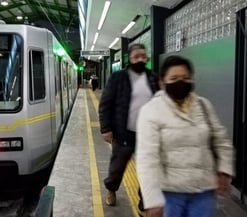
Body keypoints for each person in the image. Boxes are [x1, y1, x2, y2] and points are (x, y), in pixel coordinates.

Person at [135, 55, 234, 217]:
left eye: (185, 78)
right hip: (169, 193)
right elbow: (147, 158)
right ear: (162, 83)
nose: (180, 82)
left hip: (204, 190)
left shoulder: (203, 106)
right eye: (173, 78)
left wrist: (224, 170)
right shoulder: (151, 111)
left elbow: (221, 140)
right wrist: (152, 200)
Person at [98, 43, 159, 208]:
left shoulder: (153, 78)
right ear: (130, 59)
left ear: (147, 58)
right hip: (123, 133)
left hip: (147, 135)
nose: (140, 59)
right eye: (136, 56)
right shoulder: (118, 77)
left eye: (143, 56)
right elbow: (105, 104)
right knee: (117, 168)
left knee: (147, 171)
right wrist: (106, 128)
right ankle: (111, 189)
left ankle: (144, 202)